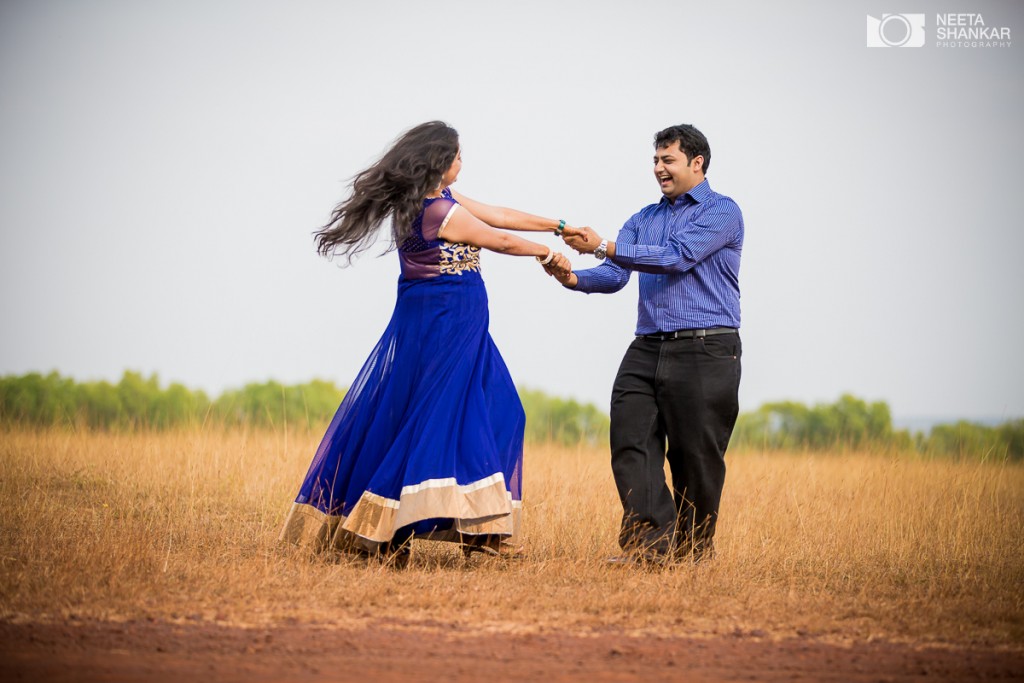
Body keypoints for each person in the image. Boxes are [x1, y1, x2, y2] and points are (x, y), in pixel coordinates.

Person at [280, 121, 575, 567]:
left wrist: (559, 226)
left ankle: (475, 530)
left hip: (448, 321)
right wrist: (548, 254)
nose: (462, 163)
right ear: (440, 162)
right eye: (458, 156)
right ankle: (396, 531)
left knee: (480, 410)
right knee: (438, 419)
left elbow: (497, 214)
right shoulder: (441, 212)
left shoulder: (435, 202)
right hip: (447, 321)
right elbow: (496, 238)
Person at [546, 124, 743, 565]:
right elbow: (617, 275)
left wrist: (604, 245)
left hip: (707, 347)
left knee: (695, 456)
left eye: (667, 160)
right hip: (647, 346)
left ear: (698, 164)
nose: (658, 168)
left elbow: (675, 257)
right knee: (631, 442)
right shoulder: (642, 219)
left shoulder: (722, 212)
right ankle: (649, 547)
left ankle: (694, 551)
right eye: (655, 160)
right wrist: (573, 277)